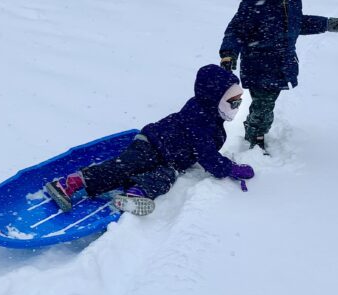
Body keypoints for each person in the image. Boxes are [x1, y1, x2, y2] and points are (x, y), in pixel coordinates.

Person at [46, 65, 255, 216]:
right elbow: (207, 155)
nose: (237, 107)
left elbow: (203, 150)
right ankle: (70, 183)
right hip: (153, 144)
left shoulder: (212, 117)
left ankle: (136, 193)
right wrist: (229, 168)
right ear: (214, 99)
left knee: (164, 178)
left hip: (171, 161)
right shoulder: (199, 118)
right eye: (233, 102)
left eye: (239, 101)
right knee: (125, 167)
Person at [219, 0, 338, 153]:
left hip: (283, 64)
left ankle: (255, 128)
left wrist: (325, 23)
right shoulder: (254, 1)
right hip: (259, 64)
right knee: (264, 105)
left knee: (268, 102)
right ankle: (255, 137)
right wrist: (229, 54)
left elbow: (299, 23)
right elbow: (236, 30)